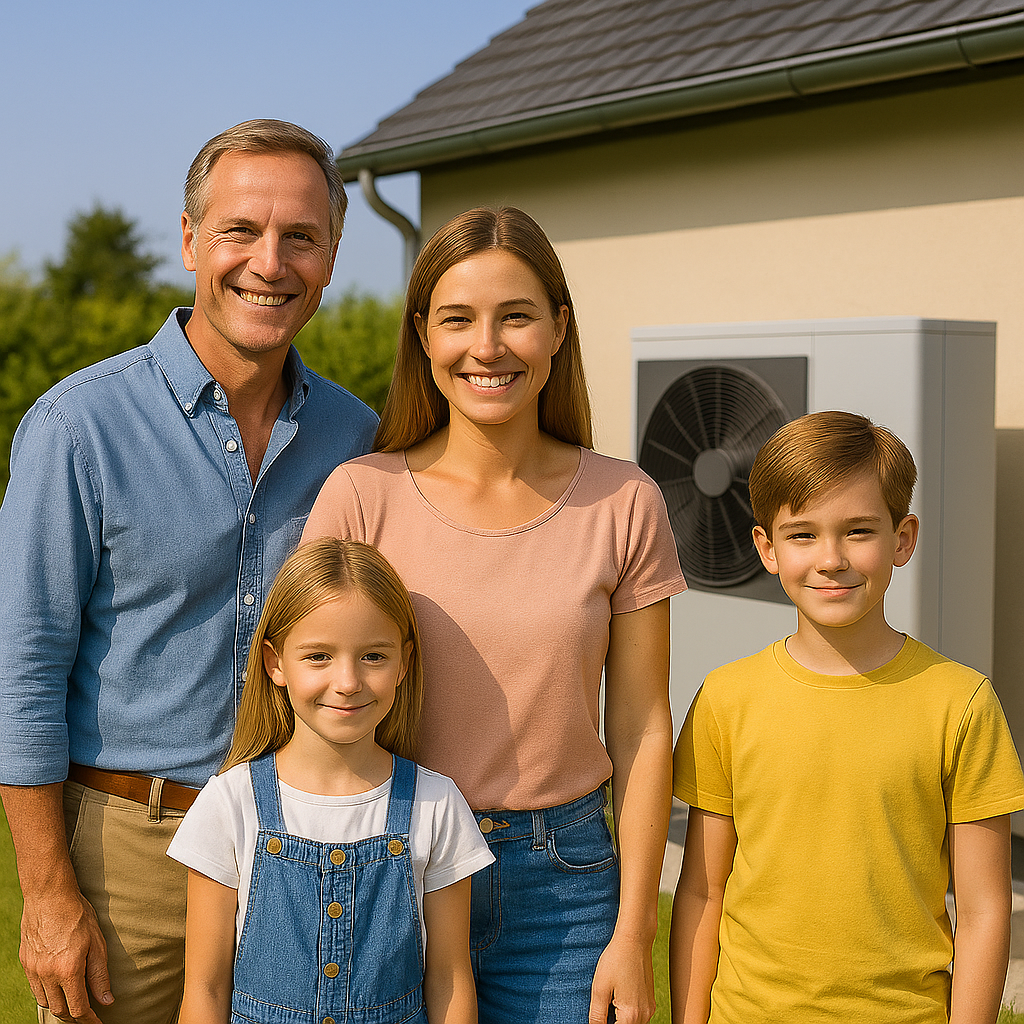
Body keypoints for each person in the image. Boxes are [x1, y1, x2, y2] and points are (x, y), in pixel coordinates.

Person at [0, 120, 379, 1024]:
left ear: (330, 258)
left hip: (302, 845)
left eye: (301, 238)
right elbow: (24, 673)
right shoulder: (76, 429)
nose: (270, 262)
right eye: (241, 231)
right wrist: (48, 897)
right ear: (188, 242)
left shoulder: (358, 440)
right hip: (129, 857)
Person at [302, 206, 687, 1024]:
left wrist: (633, 928)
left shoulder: (625, 501)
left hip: (565, 886)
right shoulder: (359, 495)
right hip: (386, 861)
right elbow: (304, 704)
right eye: (458, 320)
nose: (488, 346)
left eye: (516, 316)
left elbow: (645, 724)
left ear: (558, 329)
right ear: (422, 337)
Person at [670, 410, 1024, 1023]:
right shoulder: (726, 699)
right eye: (803, 535)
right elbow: (701, 889)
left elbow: (986, 908)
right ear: (767, 549)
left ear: (903, 539)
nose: (830, 558)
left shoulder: (961, 702)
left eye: (858, 531)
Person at [168, 537, 493, 1024]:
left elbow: (449, 980)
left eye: (373, 657)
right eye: (318, 656)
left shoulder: (436, 804)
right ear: (275, 663)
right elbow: (206, 991)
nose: (347, 681)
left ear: (404, 662)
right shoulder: (230, 804)